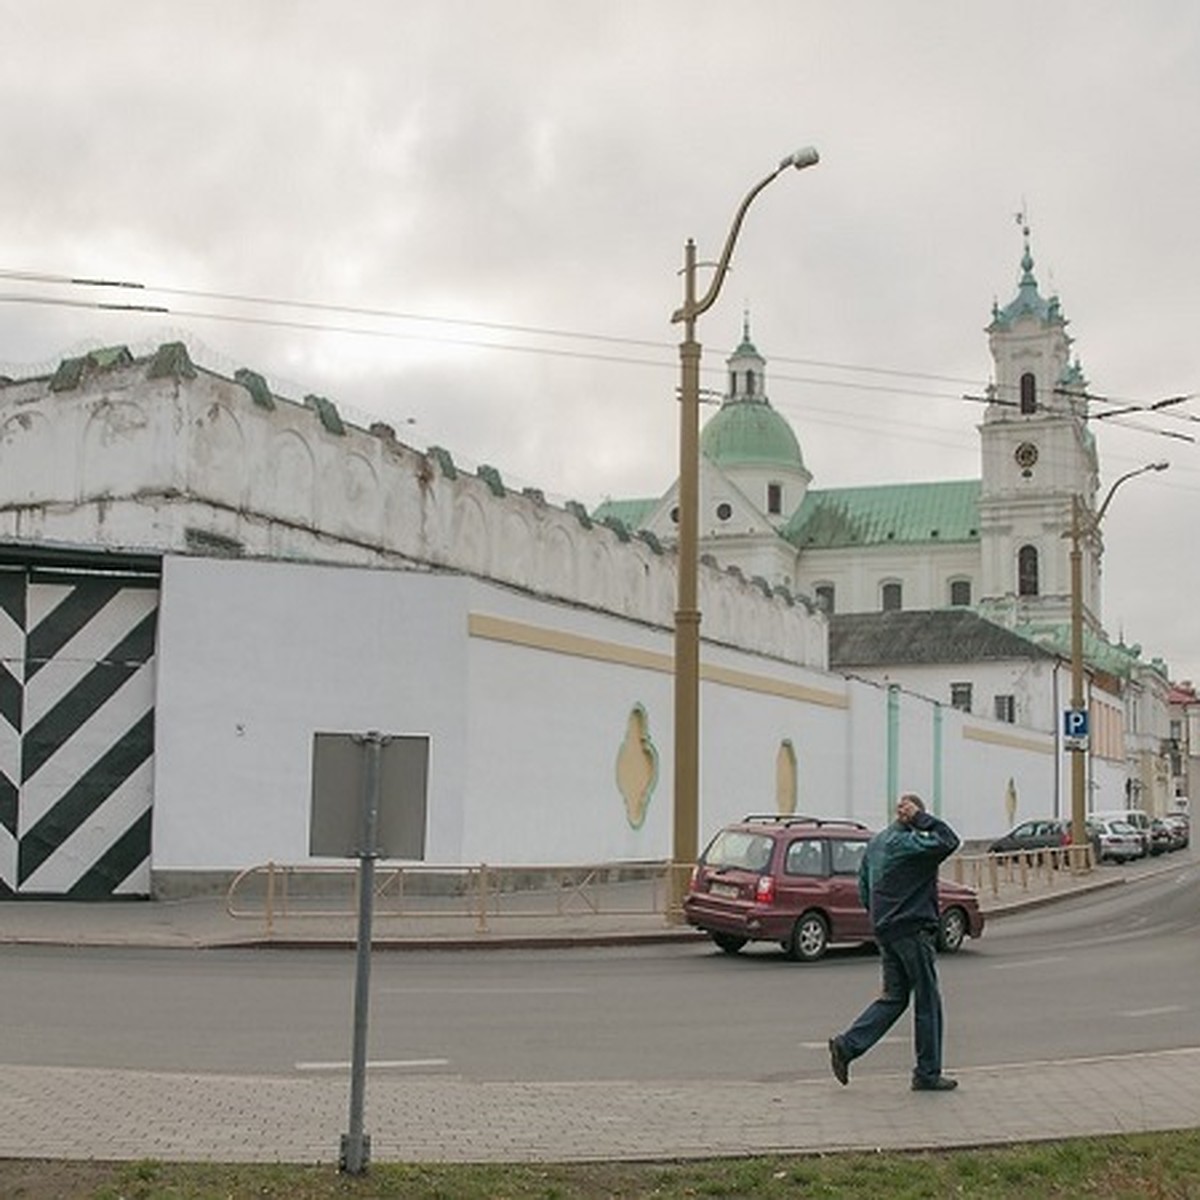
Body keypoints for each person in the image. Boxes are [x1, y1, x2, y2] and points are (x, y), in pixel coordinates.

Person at [828, 793, 961, 1092]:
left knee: (894, 997)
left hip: (886, 931)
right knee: (928, 1000)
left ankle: (847, 1046)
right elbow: (949, 840)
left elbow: (864, 887)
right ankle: (927, 1073)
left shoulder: (876, 844)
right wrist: (920, 819)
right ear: (915, 819)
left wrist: (881, 918)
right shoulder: (912, 844)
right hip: (912, 929)